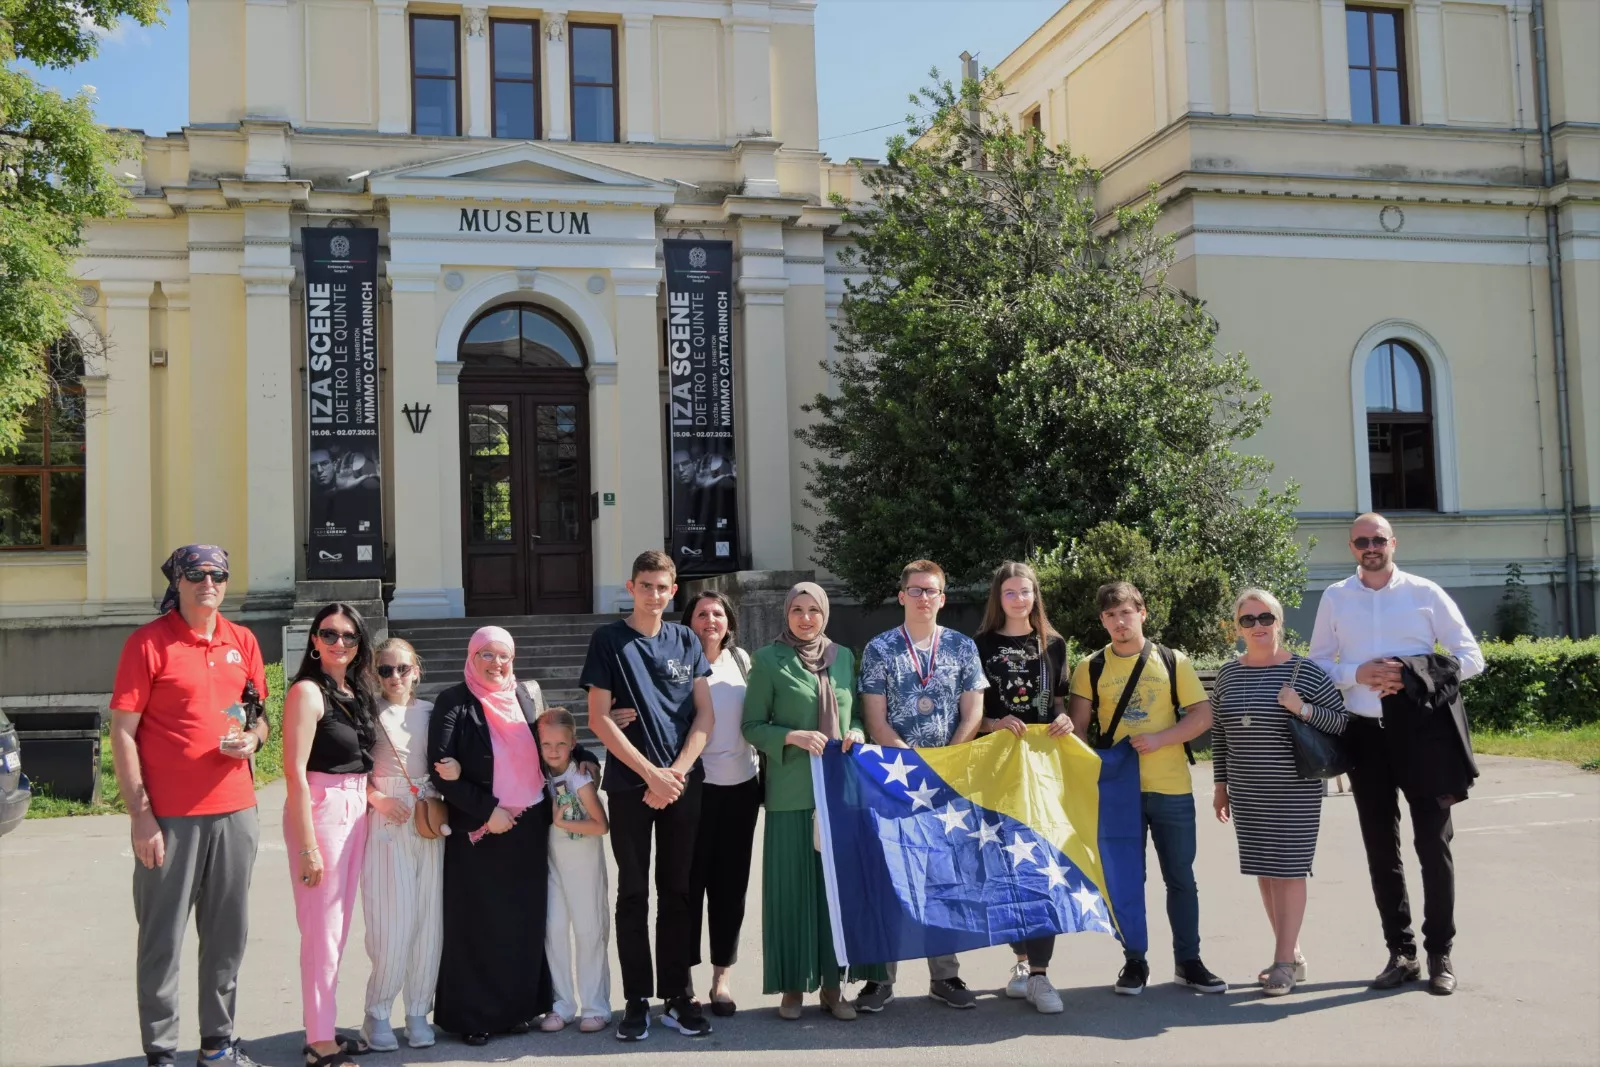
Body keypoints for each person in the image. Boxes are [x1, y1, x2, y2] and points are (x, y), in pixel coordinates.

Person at [1309, 513, 1484, 996]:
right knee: (1381, 849)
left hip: (1424, 736)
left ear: (1393, 543)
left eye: (1379, 539)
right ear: (1351, 547)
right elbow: (1319, 663)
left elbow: (1471, 658)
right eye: (1362, 541)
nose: (1371, 547)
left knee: (1433, 845)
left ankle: (1440, 953)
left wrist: (1409, 674)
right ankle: (1401, 953)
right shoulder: (1336, 597)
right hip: (1365, 736)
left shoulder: (1425, 593)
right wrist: (1356, 674)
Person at [109, 545, 270, 1067]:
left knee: (227, 937)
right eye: (196, 574)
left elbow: (259, 714)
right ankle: (160, 1053)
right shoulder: (148, 643)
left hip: (236, 811)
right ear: (176, 581)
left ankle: (216, 1045)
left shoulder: (243, 640)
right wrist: (141, 816)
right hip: (169, 817)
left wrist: (254, 738)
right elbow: (123, 732)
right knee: (162, 939)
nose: (208, 583)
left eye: (218, 574)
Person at [428, 626, 598, 1045]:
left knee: (523, 922)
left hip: (529, 825)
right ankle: (474, 1016)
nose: (496, 663)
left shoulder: (524, 695)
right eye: (486, 654)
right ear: (471, 657)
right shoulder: (454, 701)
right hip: (481, 828)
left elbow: (551, 739)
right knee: (476, 923)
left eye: (503, 655)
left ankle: (518, 1009)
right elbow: (441, 767)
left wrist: (585, 756)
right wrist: (488, 810)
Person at [580, 550, 715, 1041]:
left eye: (662, 587)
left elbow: (705, 715)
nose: (654, 595)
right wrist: (650, 776)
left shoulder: (687, 640)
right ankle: (636, 999)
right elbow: (598, 719)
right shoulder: (608, 640)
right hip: (629, 785)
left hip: (681, 784)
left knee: (677, 892)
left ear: (673, 591)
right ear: (631, 587)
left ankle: (677, 996)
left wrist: (673, 774)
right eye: (645, 586)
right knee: (633, 893)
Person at [1067, 581, 1226, 997]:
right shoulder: (1090, 667)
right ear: (1103, 621)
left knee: (1181, 878)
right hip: (1118, 792)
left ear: (1142, 613)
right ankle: (1134, 961)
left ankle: (1189, 962)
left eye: (1126, 613)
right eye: (1110, 615)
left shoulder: (1173, 660)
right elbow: (1078, 728)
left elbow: (1202, 716)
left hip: (1171, 787)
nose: (1119, 622)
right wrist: (1094, 769)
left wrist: (1160, 739)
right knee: (1127, 879)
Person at [742, 581, 885, 1021]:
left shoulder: (842, 657)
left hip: (840, 793)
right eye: (797, 610)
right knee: (791, 892)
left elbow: (853, 713)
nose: (806, 619)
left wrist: (856, 730)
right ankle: (792, 987)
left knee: (833, 895)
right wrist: (792, 736)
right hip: (791, 793)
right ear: (786, 613)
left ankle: (832, 988)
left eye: (814, 611)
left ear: (825, 614)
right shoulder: (768, 660)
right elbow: (751, 726)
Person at [855, 559, 988, 1012]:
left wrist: (946, 761)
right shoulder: (880, 648)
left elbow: (973, 710)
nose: (923, 598)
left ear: (942, 598)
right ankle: (880, 979)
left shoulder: (963, 647)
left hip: (948, 778)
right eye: (915, 590)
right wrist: (911, 766)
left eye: (931, 591)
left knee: (944, 877)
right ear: (902, 596)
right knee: (891, 875)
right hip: (895, 779)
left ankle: (945, 975)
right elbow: (875, 719)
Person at [1211, 589, 1348, 996]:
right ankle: (1291, 954)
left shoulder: (1305, 672)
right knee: (1267, 873)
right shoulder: (1228, 674)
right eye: (1248, 619)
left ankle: (1284, 961)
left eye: (1265, 618)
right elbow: (1220, 735)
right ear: (1238, 627)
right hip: (1247, 790)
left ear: (1279, 622)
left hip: (1294, 790)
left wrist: (1302, 708)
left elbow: (1342, 724)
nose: (1258, 626)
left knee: (1289, 871)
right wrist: (1221, 786)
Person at [972, 561, 1073, 1015]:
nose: (1018, 599)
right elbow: (972, 713)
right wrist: (995, 723)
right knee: (1006, 867)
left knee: (1042, 865)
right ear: (999, 597)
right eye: (1010, 592)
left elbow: (1057, 704)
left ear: (1036, 595)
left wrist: (1064, 720)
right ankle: (1020, 962)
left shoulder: (1054, 644)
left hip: (1044, 769)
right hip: (996, 767)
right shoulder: (978, 645)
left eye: (1025, 591)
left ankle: (1040, 974)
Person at [283, 603, 379, 1067]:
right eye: (329, 634)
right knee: (321, 931)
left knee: (336, 930)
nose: (339, 643)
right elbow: (294, 773)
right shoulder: (307, 692)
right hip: (322, 810)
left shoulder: (353, 691)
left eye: (349, 636)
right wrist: (307, 847)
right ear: (314, 640)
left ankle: (323, 1025)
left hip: (356, 807)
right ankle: (319, 1043)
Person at [359, 638, 443, 1051]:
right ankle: (377, 1012)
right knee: (392, 921)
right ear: (375, 674)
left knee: (429, 919)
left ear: (416, 671)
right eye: (386, 670)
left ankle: (418, 1011)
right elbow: (348, 766)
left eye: (403, 669)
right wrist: (377, 798)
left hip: (428, 812)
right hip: (386, 816)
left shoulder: (432, 712)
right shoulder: (366, 711)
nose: (395, 677)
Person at [680, 591, 760, 1018]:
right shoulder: (677, 662)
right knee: (688, 886)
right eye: (701, 613)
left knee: (731, 888)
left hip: (741, 788)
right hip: (695, 789)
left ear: (729, 621)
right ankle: (684, 981)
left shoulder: (742, 661)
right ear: (688, 620)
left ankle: (721, 979)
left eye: (717, 613)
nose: (710, 620)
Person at [537, 707, 613, 1033]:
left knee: (588, 931)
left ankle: (596, 1006)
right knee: (554, 930)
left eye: (560, 744)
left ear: (573, 743)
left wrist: (563, 822)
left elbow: (601, 825)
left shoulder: (580, 778)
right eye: (546, 744)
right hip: (553, 865)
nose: (553, 751)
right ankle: (562, 1004)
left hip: (583, 864)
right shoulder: (539, 776)